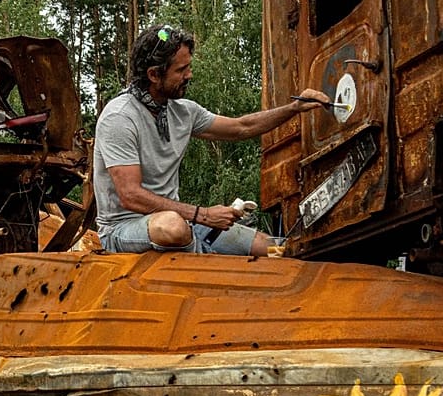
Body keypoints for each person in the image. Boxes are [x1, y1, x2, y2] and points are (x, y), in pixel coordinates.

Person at [93, 25, 331, 255]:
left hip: (185, 221)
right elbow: (130, 195)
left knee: (276, 248)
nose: (190, 75)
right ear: (154, 75)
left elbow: (241, 127)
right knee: (172, 227)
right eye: (181, 70)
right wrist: (204, 215)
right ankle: (202, 255)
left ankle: (202, 244)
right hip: (125, 230)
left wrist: (294, 108)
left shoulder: (183, 111)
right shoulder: (119, 117)